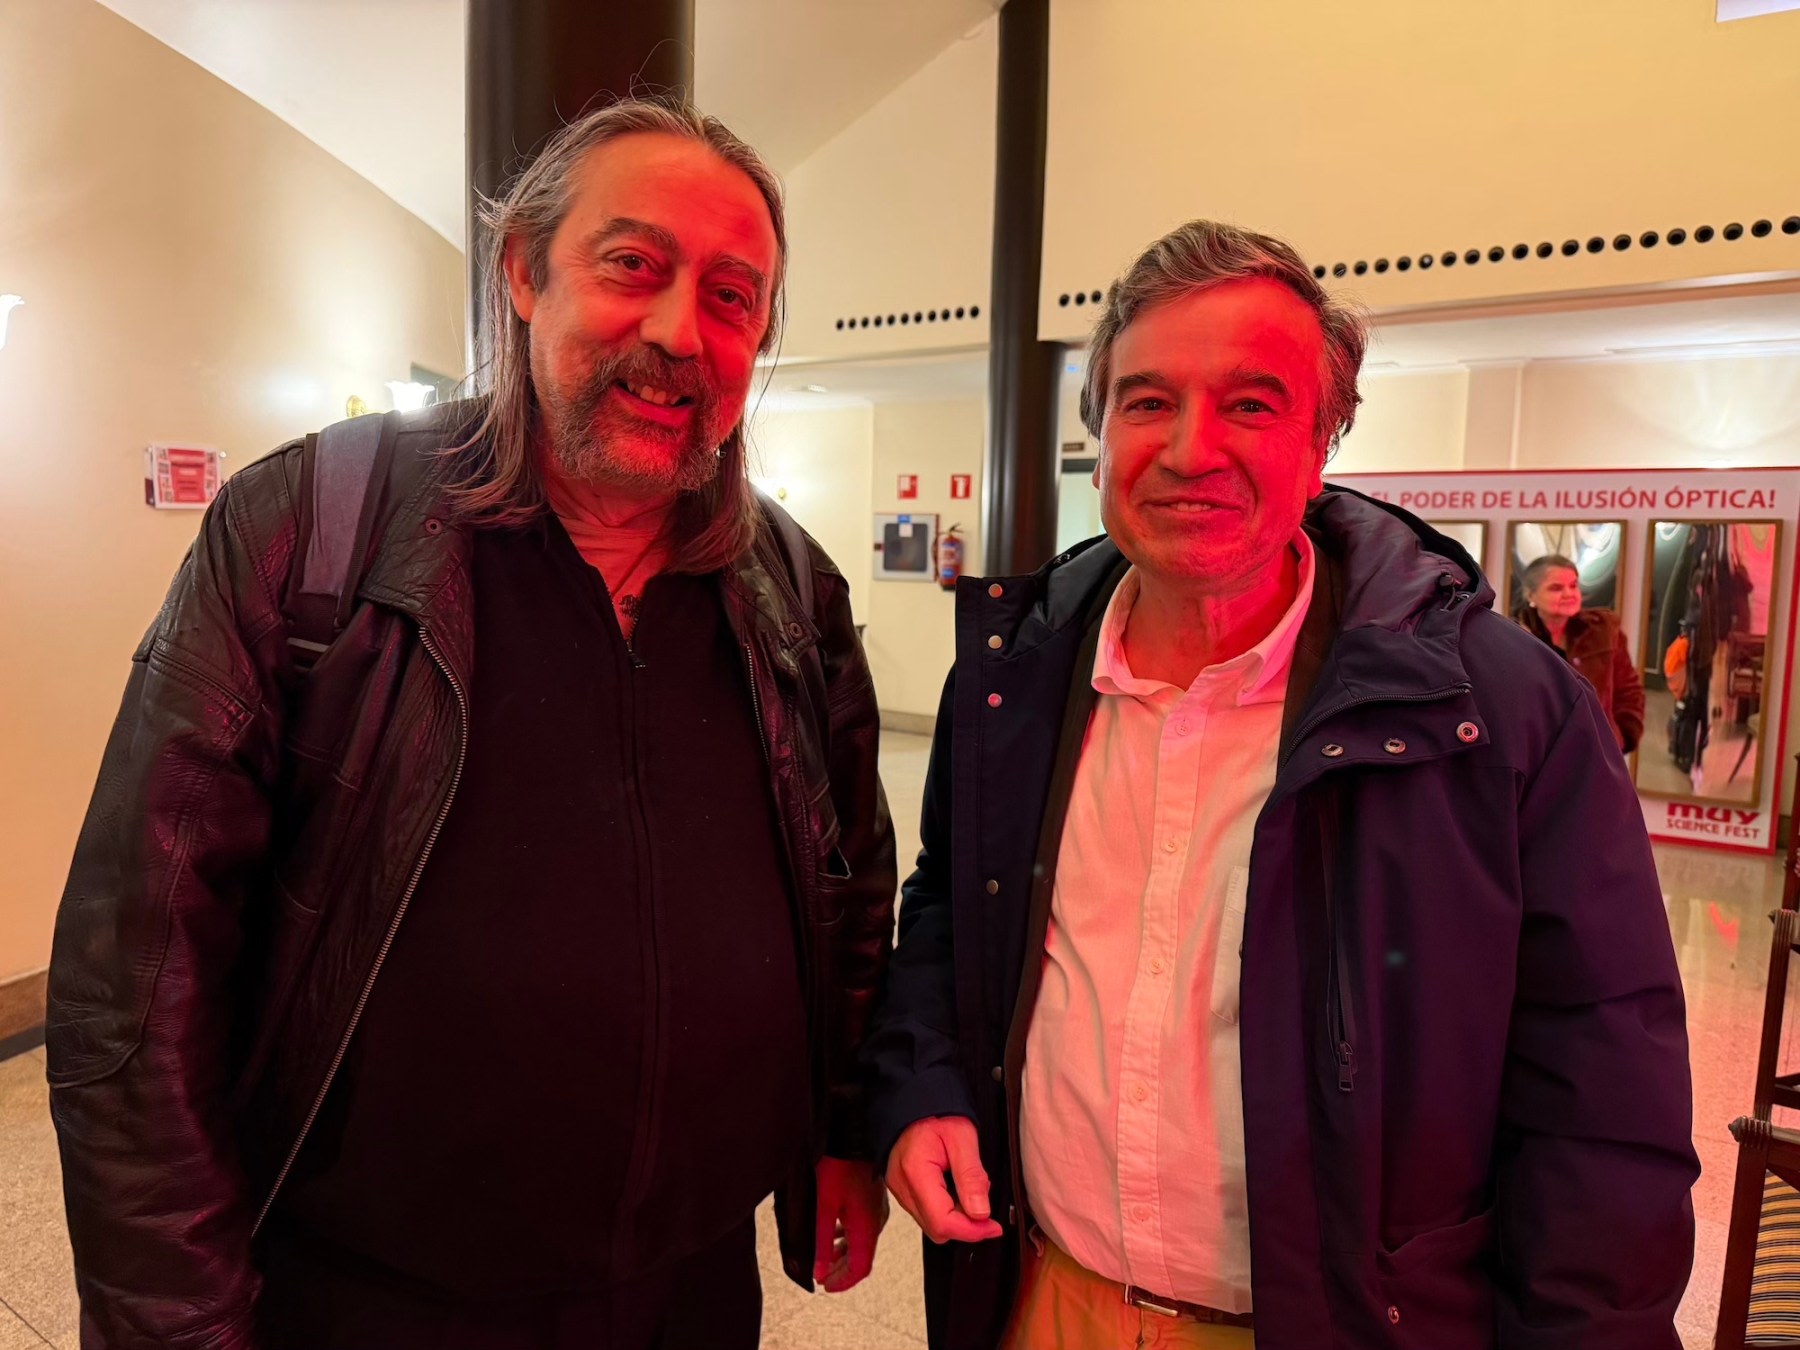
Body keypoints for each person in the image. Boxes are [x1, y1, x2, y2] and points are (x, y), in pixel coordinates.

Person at [46, 98, 894, 1350]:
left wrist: (840, 1126)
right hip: (373, 1301)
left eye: (732, 296)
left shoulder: (787, 584)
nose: (679, 332)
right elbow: (135, 979)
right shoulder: (312, 534)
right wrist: (173, 1321)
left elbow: (848, 887)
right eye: (633, 266)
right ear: (521, 270)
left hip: (693, 1293)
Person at [865, 220, 1697, 1350]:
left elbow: (1601, 1089)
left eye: (1250, 405)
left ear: (1320, 447)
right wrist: (926, 1087)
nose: (1190, 449)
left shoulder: (1497, 713)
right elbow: (949, 919)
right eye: (1147, 402)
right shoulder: (1016, 681)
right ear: (1099, 438)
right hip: (1044, 1303)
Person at [1513, 553, 1645, 753]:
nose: (1569, 594)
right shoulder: (1514, 637)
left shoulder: (1604, 630)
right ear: (1531, 596)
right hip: (1538, 754)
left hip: (1596, 752)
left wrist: (1623, 736)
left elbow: (1628, 689)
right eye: (1556, 588)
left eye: (1573, 585)